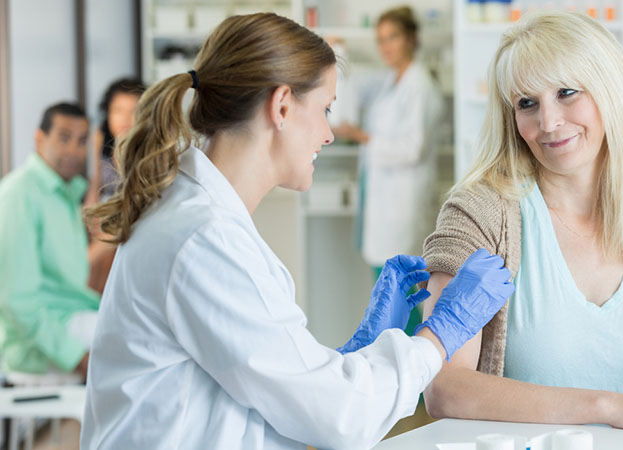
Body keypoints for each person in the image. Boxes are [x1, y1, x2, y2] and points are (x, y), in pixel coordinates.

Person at [81, 13, 514, 450]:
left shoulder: (200, 217)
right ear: (282, 105)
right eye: (325, 109)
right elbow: (339, 418)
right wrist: (441, 334)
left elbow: (279, 389)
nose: (328, 133)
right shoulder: (203, 239)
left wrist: (355, 354)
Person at [420, 11, 623, 436]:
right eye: (527, 103)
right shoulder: (481, 214)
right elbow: (444, 389)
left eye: (567, 92)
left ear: (611, 92)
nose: (549, 122)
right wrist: (610, 406)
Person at [333, 6, 444, 278]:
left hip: (402, 207)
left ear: (410, 39)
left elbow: (411, 149)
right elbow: (353, 85)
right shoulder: (390, 81)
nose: (385, 46)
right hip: (385, 203)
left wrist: (361, 136)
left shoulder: (419, 86)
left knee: (398, 294)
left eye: (392, 37)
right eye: (380, 39)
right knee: (387, 288)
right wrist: (339, 54)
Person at [0, 102, 100, 380]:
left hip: (68, 319)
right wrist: (76, 355)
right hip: (34, 344)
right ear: (39, 138)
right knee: (139, 345)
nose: (73, 151)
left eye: (82, 141)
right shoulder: (19, 195)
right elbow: (17, 302)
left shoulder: (65, 194)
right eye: (64, 138)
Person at [84, 78, 146, 294]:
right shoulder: (102, 153)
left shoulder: (148, 154)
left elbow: (137, 208)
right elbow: (90, 206)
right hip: (103, 231)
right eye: (117, 110)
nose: (125, 118)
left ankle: (81, 268)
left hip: (133, 228)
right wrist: (95, 150)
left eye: (133, 110)